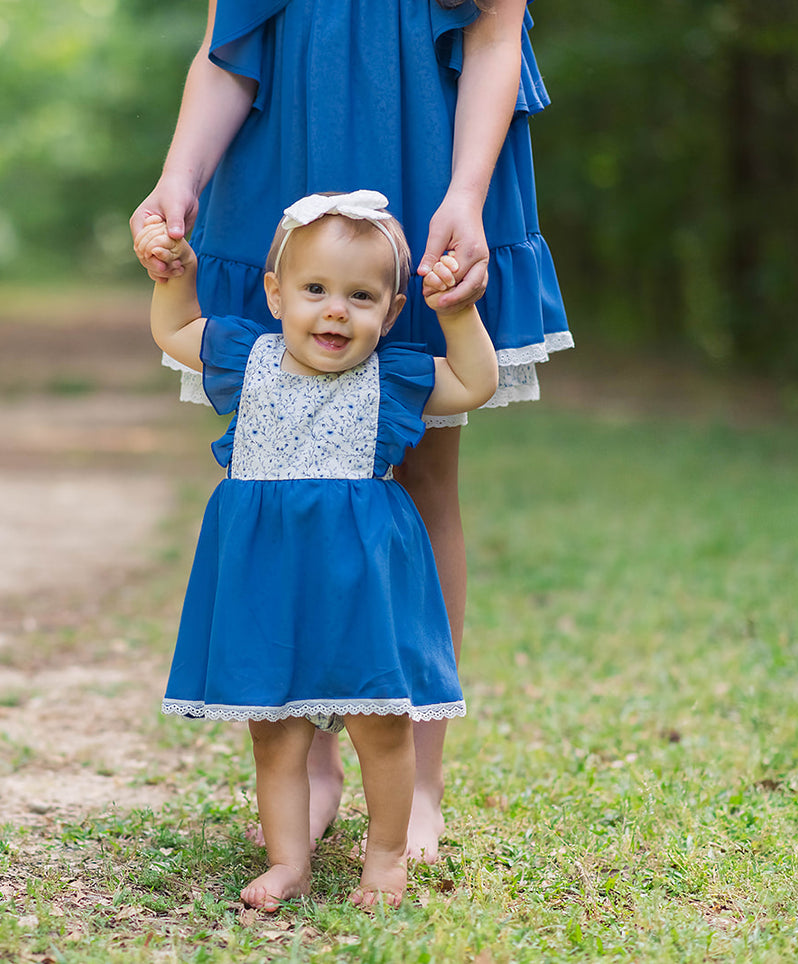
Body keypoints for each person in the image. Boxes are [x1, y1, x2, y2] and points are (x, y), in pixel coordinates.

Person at [129, 0, 570, 863]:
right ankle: (310, 768)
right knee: (297, 475)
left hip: (434, 153)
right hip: (287, 148)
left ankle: (418, 779)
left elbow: (494, 35)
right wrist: (178, 175)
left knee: (424, 473)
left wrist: (465, 195)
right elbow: (226, 47)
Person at [137, 190, 499, 910]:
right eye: (315, 290)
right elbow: (173, 329)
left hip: (359, 584)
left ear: (391, 312)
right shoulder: (247, 358)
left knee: (381, 724)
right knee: (272, 729)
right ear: (275, 294)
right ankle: (288, 862)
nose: (336, 311)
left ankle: (385, 859)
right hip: (266, 581)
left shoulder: (393, 377)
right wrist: (175, 274)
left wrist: (457, 314)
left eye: (361, 296)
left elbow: (474, 383)